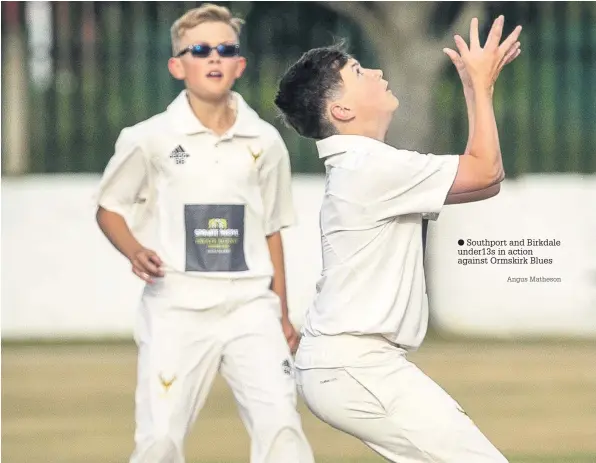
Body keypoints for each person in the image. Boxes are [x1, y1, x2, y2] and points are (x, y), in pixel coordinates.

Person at [274, 15, 522, 463]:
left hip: (353, 364)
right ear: (341, 111)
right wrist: (480, 87)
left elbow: (485, 182)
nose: (376, 73)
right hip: (355, 364)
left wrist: (472, 87)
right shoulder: (369, 168)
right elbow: (485, 170)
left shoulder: (366, 165)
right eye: (357, 73)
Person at [95, 4, 314, 463]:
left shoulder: (265, 142)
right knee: (160, 441)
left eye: (225, 49)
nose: (213, 57)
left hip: (251, 309)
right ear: (178, 66)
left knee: (282, 430)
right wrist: (134, 251)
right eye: (200, 49)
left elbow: (272, 229)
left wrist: (283, 312)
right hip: (176, 308)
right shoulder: (148, 138)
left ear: (240, 64)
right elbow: (109, 209)